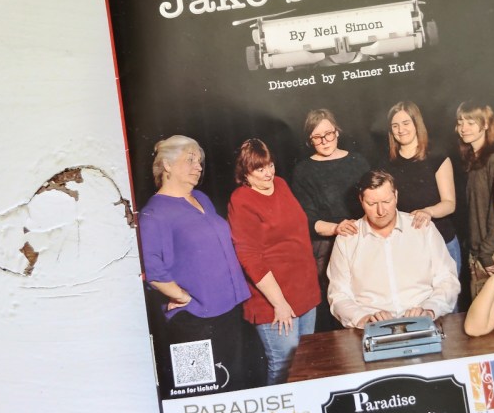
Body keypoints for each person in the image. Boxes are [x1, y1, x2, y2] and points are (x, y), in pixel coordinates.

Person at [138, 135, 261, 395]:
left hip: (229, 311)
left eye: (200, 161)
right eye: (190, 160)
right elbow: (153, 270)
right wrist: (182, 297)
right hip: (193, 320)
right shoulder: (154, 213)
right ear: (167, 165)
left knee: (237, 387)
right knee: (198, 391)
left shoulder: (201, 198)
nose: (199, 166)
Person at [228, 139, 321, 384]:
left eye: (269, 165)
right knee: (285, 367)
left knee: (305, 363)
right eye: (259, 169)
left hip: (304, 291)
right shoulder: (241, 200)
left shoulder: (280, 184)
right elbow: (250, 257)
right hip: (274, 300)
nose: (268, 173)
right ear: (245, 172)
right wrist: (279, 303)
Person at [327, 170, 460, 329]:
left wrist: (430, 309)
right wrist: (363, 318)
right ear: (361, 200)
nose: (381, 211)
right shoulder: (347, 239)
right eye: (372, 204)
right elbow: (339, 294)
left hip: (425, 322)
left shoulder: (423, 228)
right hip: (370, 329)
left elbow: (447, 280)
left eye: (386, 201)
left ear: (396, 195)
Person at [290, 108, 369, 331]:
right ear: (310, 140)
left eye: (328, 134)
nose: (324, 140)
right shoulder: (303, 170)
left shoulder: (358, 161)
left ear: (337, 131)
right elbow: (305, 219)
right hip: (325, 248)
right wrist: (336, 228)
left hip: (361, 241)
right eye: (317, 137)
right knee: (331, 314)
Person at [384, 101, 462, 277]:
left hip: (442, 242)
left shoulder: (437, 157)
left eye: (406, 123)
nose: (401, 130)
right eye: (395, 126)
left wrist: (428, 212)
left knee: (447, 295)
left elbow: (449, 204)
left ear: (416, 124)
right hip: (407, 246)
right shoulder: (387, 164)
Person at [455, 101, 494, 299]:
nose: (463, 128)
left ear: (485, 124)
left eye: (470, 122)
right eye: (460, 122)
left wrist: (487, 253)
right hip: (475, 252)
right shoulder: (471, 160)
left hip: (490, 254)